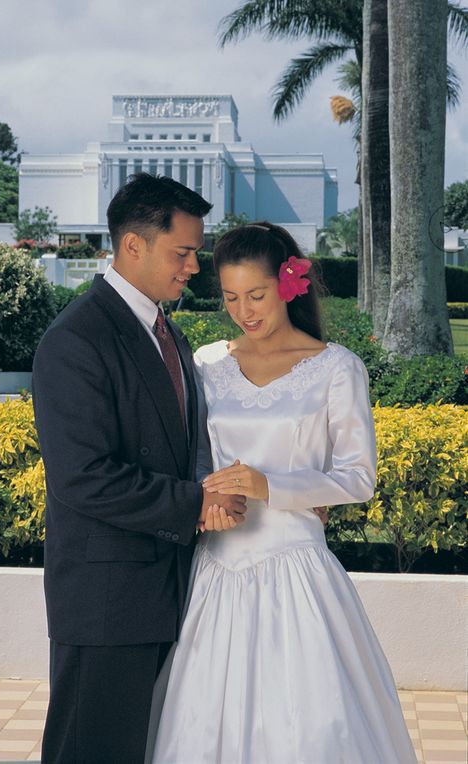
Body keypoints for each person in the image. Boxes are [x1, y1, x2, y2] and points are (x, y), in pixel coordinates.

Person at [149, 222, 417, 764]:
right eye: (230, 297)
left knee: (308, 725)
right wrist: (208, 498)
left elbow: (357, 477)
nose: (245, 310)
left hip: (298, 574)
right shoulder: (205, 364)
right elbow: (196, 458)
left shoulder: (337, 368)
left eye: (256, 294)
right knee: (201, 721)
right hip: (215, 573)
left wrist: (269, 485)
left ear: (288, 286)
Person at [31, 173, 247, 764]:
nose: (194, 267)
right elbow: (82, 477)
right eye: (183, 252)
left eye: (196, 253)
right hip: (107, 601)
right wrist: (194, 503)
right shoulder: (76, 338)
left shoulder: (166, 332)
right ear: (133, 245)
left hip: (169, 592)